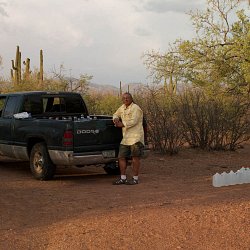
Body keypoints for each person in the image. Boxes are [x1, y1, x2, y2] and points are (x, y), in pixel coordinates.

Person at [112, 92, 144, 185]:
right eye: (124, 98)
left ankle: (135, 178)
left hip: (135, 138)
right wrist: (115, 119)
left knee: (135, 158)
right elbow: (115, 114)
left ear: (131, 99)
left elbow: (133, 121)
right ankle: (123, 178)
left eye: (127, 98)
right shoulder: (122, 107)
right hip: (126, 138)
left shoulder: (136, 108)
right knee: (121, 157)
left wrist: (121, 124)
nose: (126, 99)